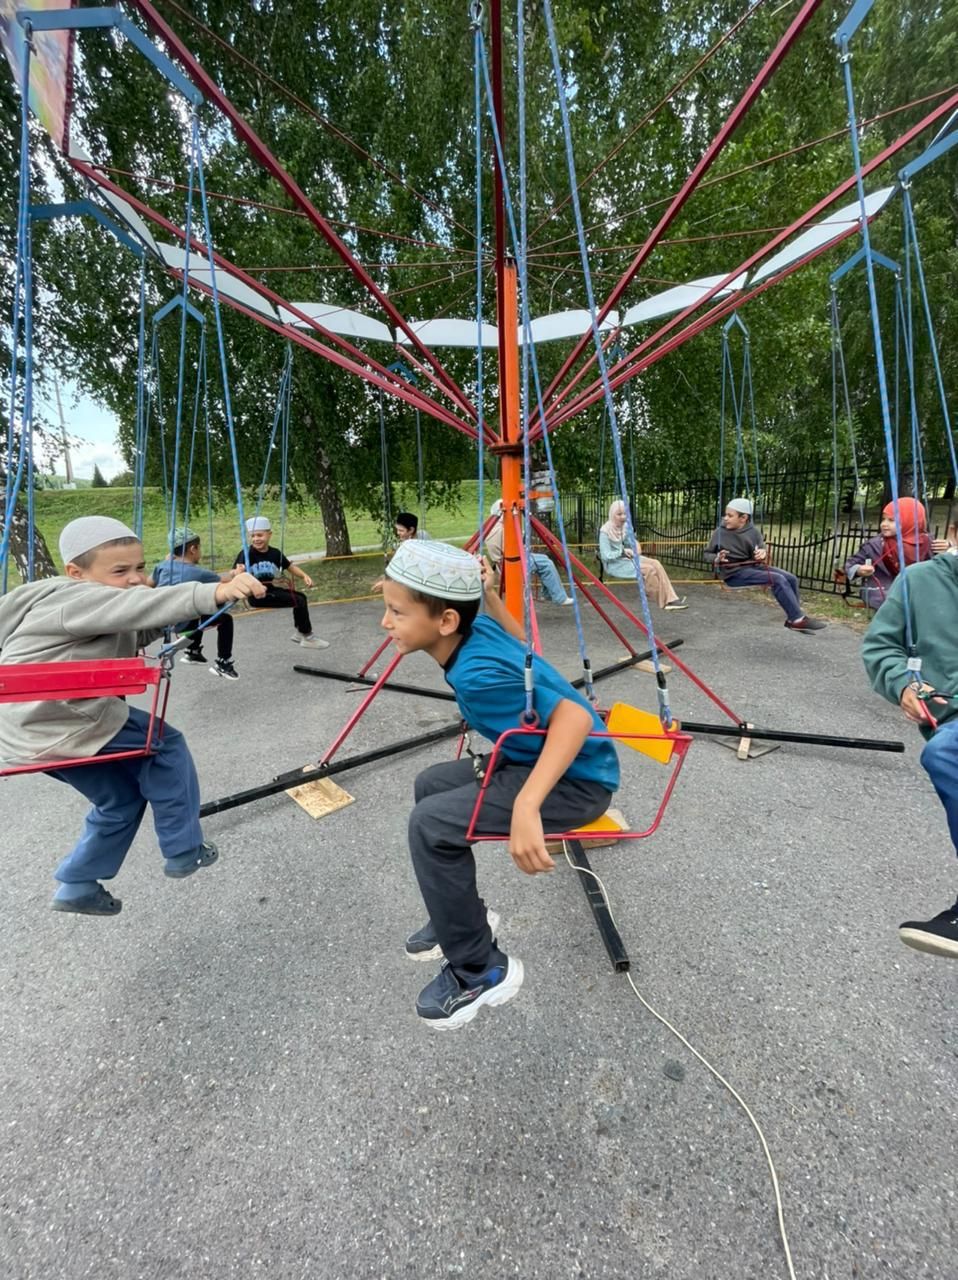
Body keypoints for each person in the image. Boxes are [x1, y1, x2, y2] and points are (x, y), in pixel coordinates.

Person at [382, 539, 620, 1028]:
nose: (385, 623)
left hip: (577, 780)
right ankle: (464, 918)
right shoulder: (478, 628)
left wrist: (528, 806)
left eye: (396, 612)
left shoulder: (475, 674)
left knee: (429, 825)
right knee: (430, 785)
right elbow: (527, 651)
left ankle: (480, 970)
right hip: (536, 761)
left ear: (445, 621)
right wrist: (489, 594)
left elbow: (575, 717)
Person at [0, 515, 265, 915]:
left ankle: (77, 883)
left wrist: (183, 616)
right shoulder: (72, 597)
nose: (136, 578)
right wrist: (213, 592)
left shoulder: (92, 604)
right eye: (120, 570)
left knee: (120, 800)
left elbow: (135, 626)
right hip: (64, 719)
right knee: (167, 747)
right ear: (76, 573)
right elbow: (141, 604)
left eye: (140, 567)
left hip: (28, 734)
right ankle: (184, 848)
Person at [861, 544, 958, 959]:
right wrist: (903, 683)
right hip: (951, 715)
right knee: (945, 753)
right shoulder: (920, 580)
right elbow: (881, 647)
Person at [704, 497, 826, 633]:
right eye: (725, 514)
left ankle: (794, 618)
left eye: (730, 515)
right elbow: (706, 554)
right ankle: (797, 619)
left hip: (753, 567)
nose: (725, 518)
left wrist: (762, 553)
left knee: (791, 578)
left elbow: (761, 549)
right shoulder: (720, 533)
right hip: (734, 573)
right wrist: (717, 558)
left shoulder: (753, 532)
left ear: (743, 518)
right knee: (777, 579)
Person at [152, 526, 241, 680]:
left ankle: (193, 652)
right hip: (183, 623)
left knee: (198, 606)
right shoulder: (198, 573)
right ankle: (223, 662)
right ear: (193, 549)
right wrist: (237, 575)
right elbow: (226, 581)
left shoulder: (162, 566)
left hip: (164, 619)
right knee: (225, 619)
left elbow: (149, 583)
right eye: (199, 548)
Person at [234, 515, 328, 649]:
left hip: (270, 590)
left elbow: (290, 567)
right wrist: (239, 572)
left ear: (269, 534)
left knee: (301, 597)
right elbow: (235, 574)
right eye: (252, 536)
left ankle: (300, 632)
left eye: (260, 535)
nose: (256, 539)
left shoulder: (275, 553)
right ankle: (307, 636)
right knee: (298, 601)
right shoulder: (246, 554)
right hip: (257, 595)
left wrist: (304, 575)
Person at [845, 498, 948, 610]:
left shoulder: (928, 543)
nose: (884, 524)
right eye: (883, 519)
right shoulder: (875, 544)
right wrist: (859, 569)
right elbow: (850, 565)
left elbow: (947, 564)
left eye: (891, 520)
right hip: (884, 595)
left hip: (918, 595)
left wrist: (949, 547)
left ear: (911, 520)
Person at [598, 500, 687, 611]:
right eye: (619, 514)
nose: (623, 517)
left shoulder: (624, 527)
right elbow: (605, 556)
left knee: (656, 563)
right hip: (614, 564)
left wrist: (635, 544)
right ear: (612, 514)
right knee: (648, 569)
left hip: (626, 559)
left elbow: (629, 542)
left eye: (625, 514)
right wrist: (622, 552)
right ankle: (662, 600)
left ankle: (672, 599)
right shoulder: (605, 532)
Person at [485, 498, 574, 605]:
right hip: (512, 564)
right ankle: (558, 597)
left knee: (545, 559)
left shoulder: (491, 527)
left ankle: (549, 594)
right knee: (546, 564)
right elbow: (512, 550)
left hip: (503, 564)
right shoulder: (505, 529)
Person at [371, 512, 428, 592]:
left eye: (401, 530)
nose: (398, 533)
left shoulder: (409, 547)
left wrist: (386, 583)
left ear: (411, 530)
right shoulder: (423, 535)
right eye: (397, 529)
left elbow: (404, 572)